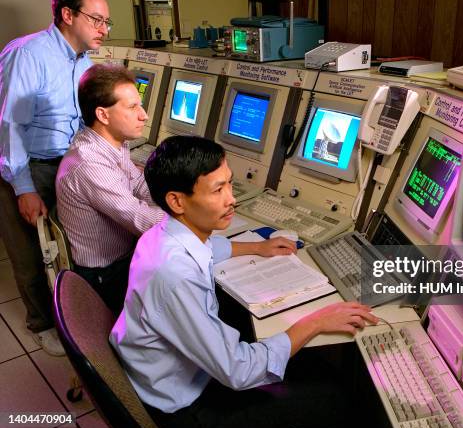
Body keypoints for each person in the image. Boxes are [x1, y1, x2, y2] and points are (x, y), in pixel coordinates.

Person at [110, 136, 378, 428]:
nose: (232, 199)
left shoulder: (163, 233)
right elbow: (237, 370)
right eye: (217, 190)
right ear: (177, 200)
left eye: (229, 184)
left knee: (302, 360)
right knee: (332, 396)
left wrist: (255, 248)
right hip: (187, 408)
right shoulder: (176, 275)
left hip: (163, 374)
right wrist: (315, 322)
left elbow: (207, 248)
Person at [57, 64, 294, 315]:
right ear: (103, 115)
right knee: (219, 296)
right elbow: (143, 220)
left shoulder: (111, 144)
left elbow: (141, 187)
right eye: (132, 107)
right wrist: (199, 213)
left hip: (126, 255)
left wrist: (186, 201)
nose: (144, 115)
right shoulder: (89, 164)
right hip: (108, 276)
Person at [0, 0, 110, 356]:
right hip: (23, 166)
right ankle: (41, 323)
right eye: (96, 19)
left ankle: (72, 315)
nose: (103, 29)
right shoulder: (28, 55)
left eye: (106, 22)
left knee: (66, 247)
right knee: (30, 253)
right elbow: (10, 126)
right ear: (67, 15)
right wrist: (23, 188)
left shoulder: (86, 65)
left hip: (64, 165)